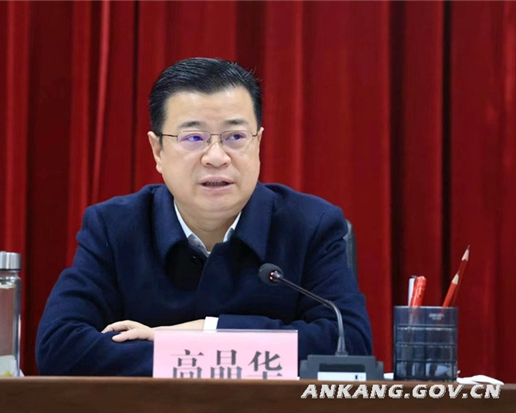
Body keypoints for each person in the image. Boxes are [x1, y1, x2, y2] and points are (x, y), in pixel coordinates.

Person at [36, 57, 372, 376]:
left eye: (235, 137)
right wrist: (201, 350)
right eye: (193, 138)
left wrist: (206, 332)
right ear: (158, 151)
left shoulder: (311, 225)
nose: (216, 157)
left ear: (257, 143)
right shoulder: (114, 227)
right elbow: (60, 347)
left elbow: (348, 344)